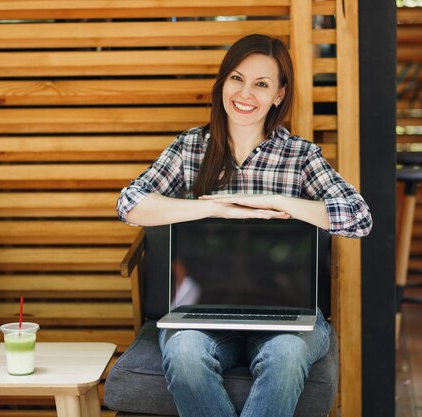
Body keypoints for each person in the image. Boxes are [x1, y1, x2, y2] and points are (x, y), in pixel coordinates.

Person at [116, 34, 372, 417]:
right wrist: (215, 210)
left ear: (279, 96)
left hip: (287, 318)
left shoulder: (300, 156)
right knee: (184, 354)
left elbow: (359, 217)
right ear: (223, 83)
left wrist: (276, 202)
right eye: (237, 79)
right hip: (200, 314)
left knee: (286, 357)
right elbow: (130, 204)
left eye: (261, 84)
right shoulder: (190, 148)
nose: (245, 93)